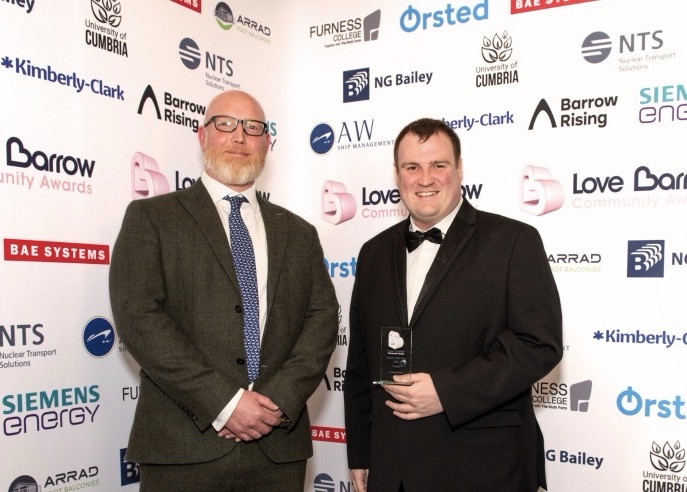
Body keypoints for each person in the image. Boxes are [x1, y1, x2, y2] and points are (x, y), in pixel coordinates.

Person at [110, 90, 338, 491]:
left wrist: (277, 402)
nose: (239, 136)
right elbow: (138, 316)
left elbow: (321, 320)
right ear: (202, 136)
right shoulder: (151, 218)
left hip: (277, 448)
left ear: (267, 142)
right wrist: (224, 403)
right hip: (183, 448)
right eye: (225, 124)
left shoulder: (300, 233)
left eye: (253, 128)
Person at [343, 118, 563, 492]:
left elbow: (539, 345)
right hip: (392, 469)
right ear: (397, 175)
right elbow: (361, 363)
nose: (425, 179)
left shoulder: (513, 242)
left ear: (459, 169)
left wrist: (447, 391)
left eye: (438, 165)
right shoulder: (372, 253)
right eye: (412, 167)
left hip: (483, 468)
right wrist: (361, 452)